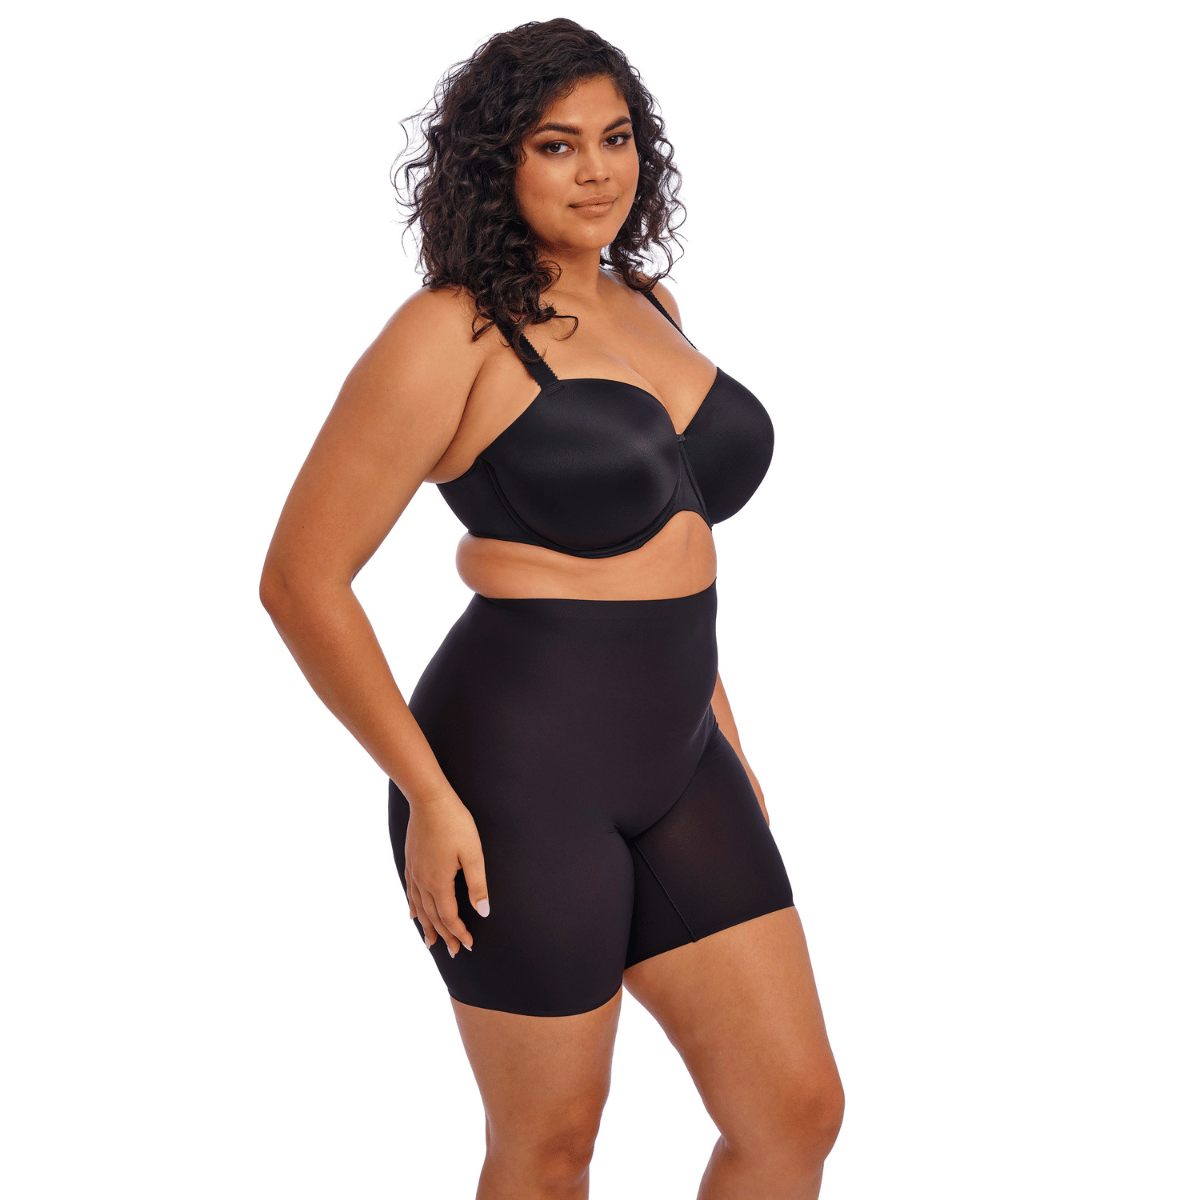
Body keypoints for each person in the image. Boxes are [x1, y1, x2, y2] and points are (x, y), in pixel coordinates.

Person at [260, 17, 844, 1200]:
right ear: (498, 163)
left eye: (616, 138)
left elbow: (679, 553)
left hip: (681, 756)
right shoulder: (450, 332)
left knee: (794, 1112)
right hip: (512, 777)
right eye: (557, 144)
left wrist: (724, 736)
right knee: (551, 1147)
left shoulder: (652, 302)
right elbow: (300, 578)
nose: (597, 171)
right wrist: (429, 794)